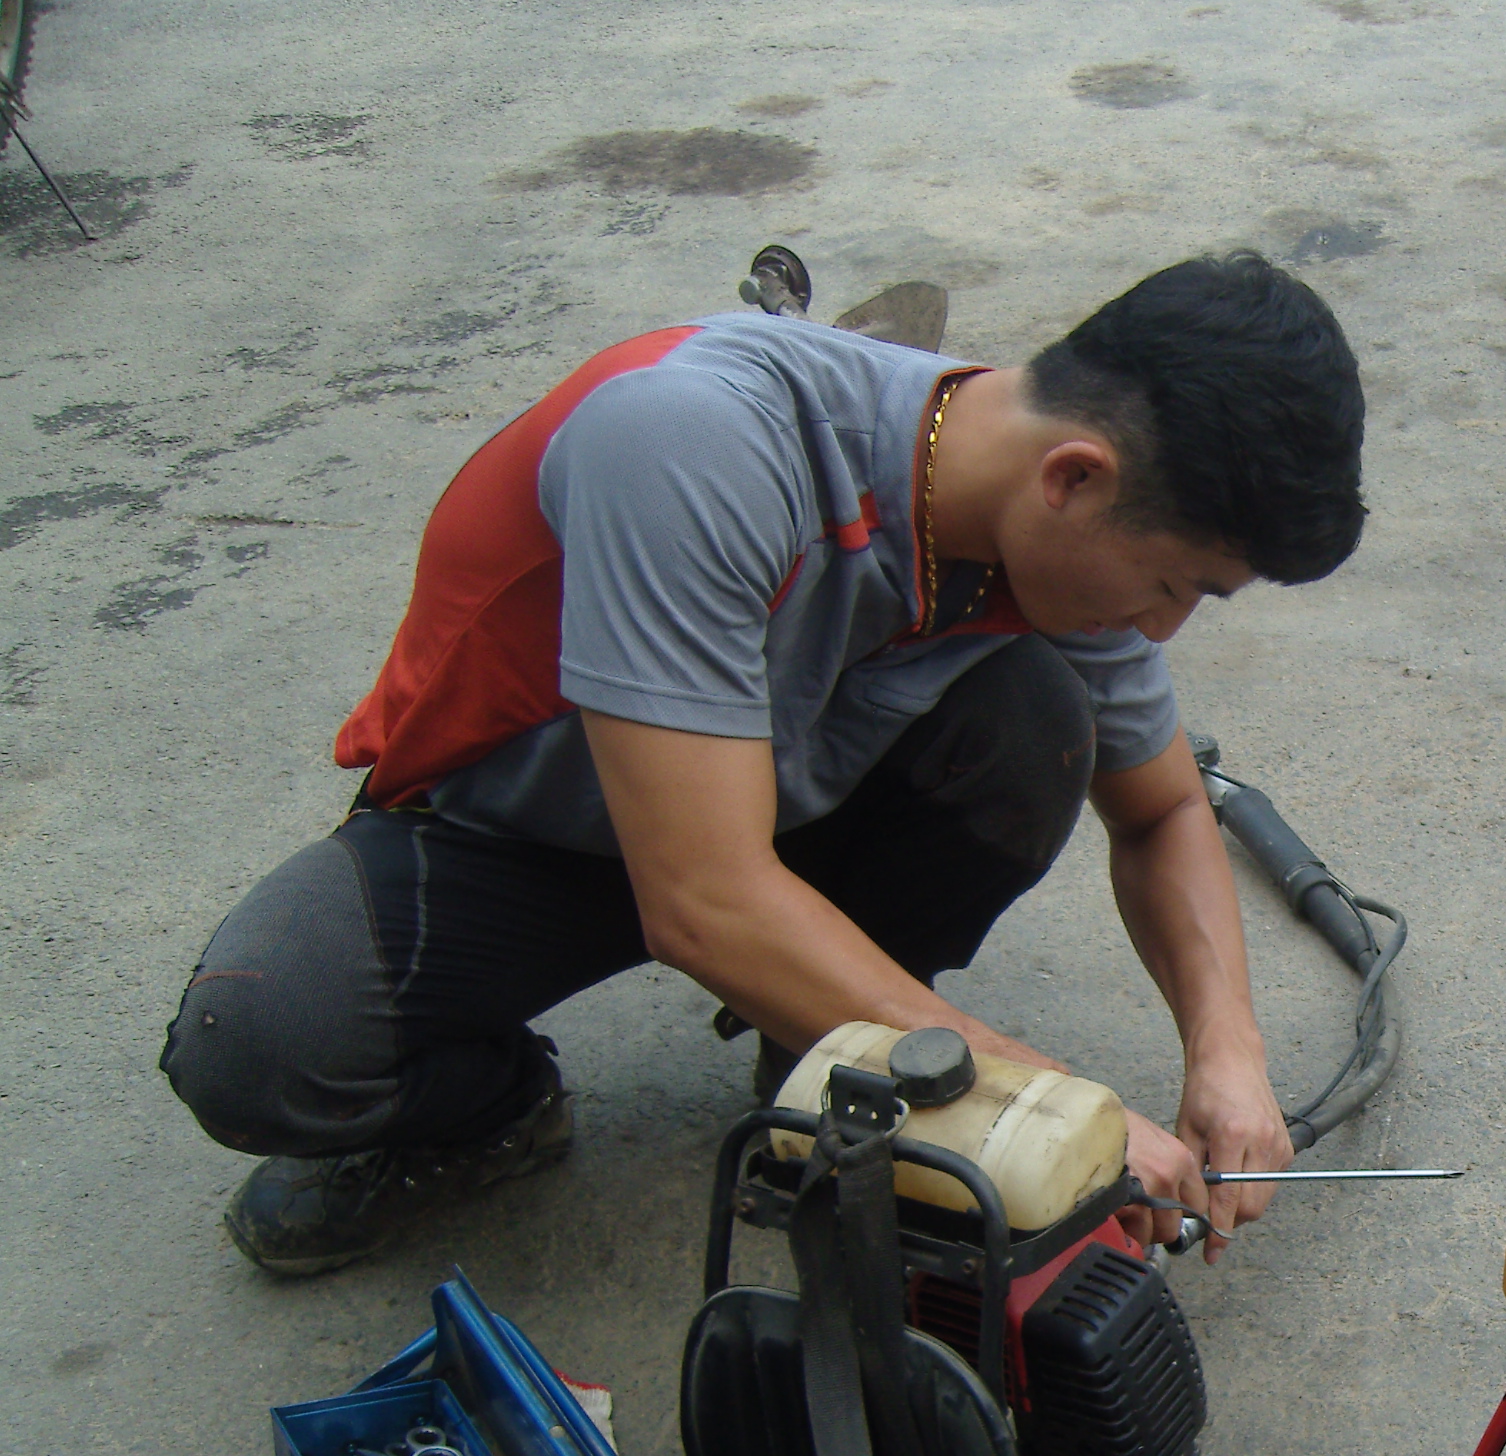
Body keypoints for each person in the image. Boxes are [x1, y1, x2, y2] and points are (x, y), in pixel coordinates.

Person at [159, 251, 1366, 1274]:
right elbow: (704, 900)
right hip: (523, 832)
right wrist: (1052, 1102)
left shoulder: (1042, 536)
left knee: (1033, 719)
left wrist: (1229, 1049)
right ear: (1074, 479)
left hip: (771, 817)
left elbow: (1159, 815)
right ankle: (499, 1108)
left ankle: (831, 1090)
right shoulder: (694, 442)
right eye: (1174, 587)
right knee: (256, 1048)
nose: (1163, 632)